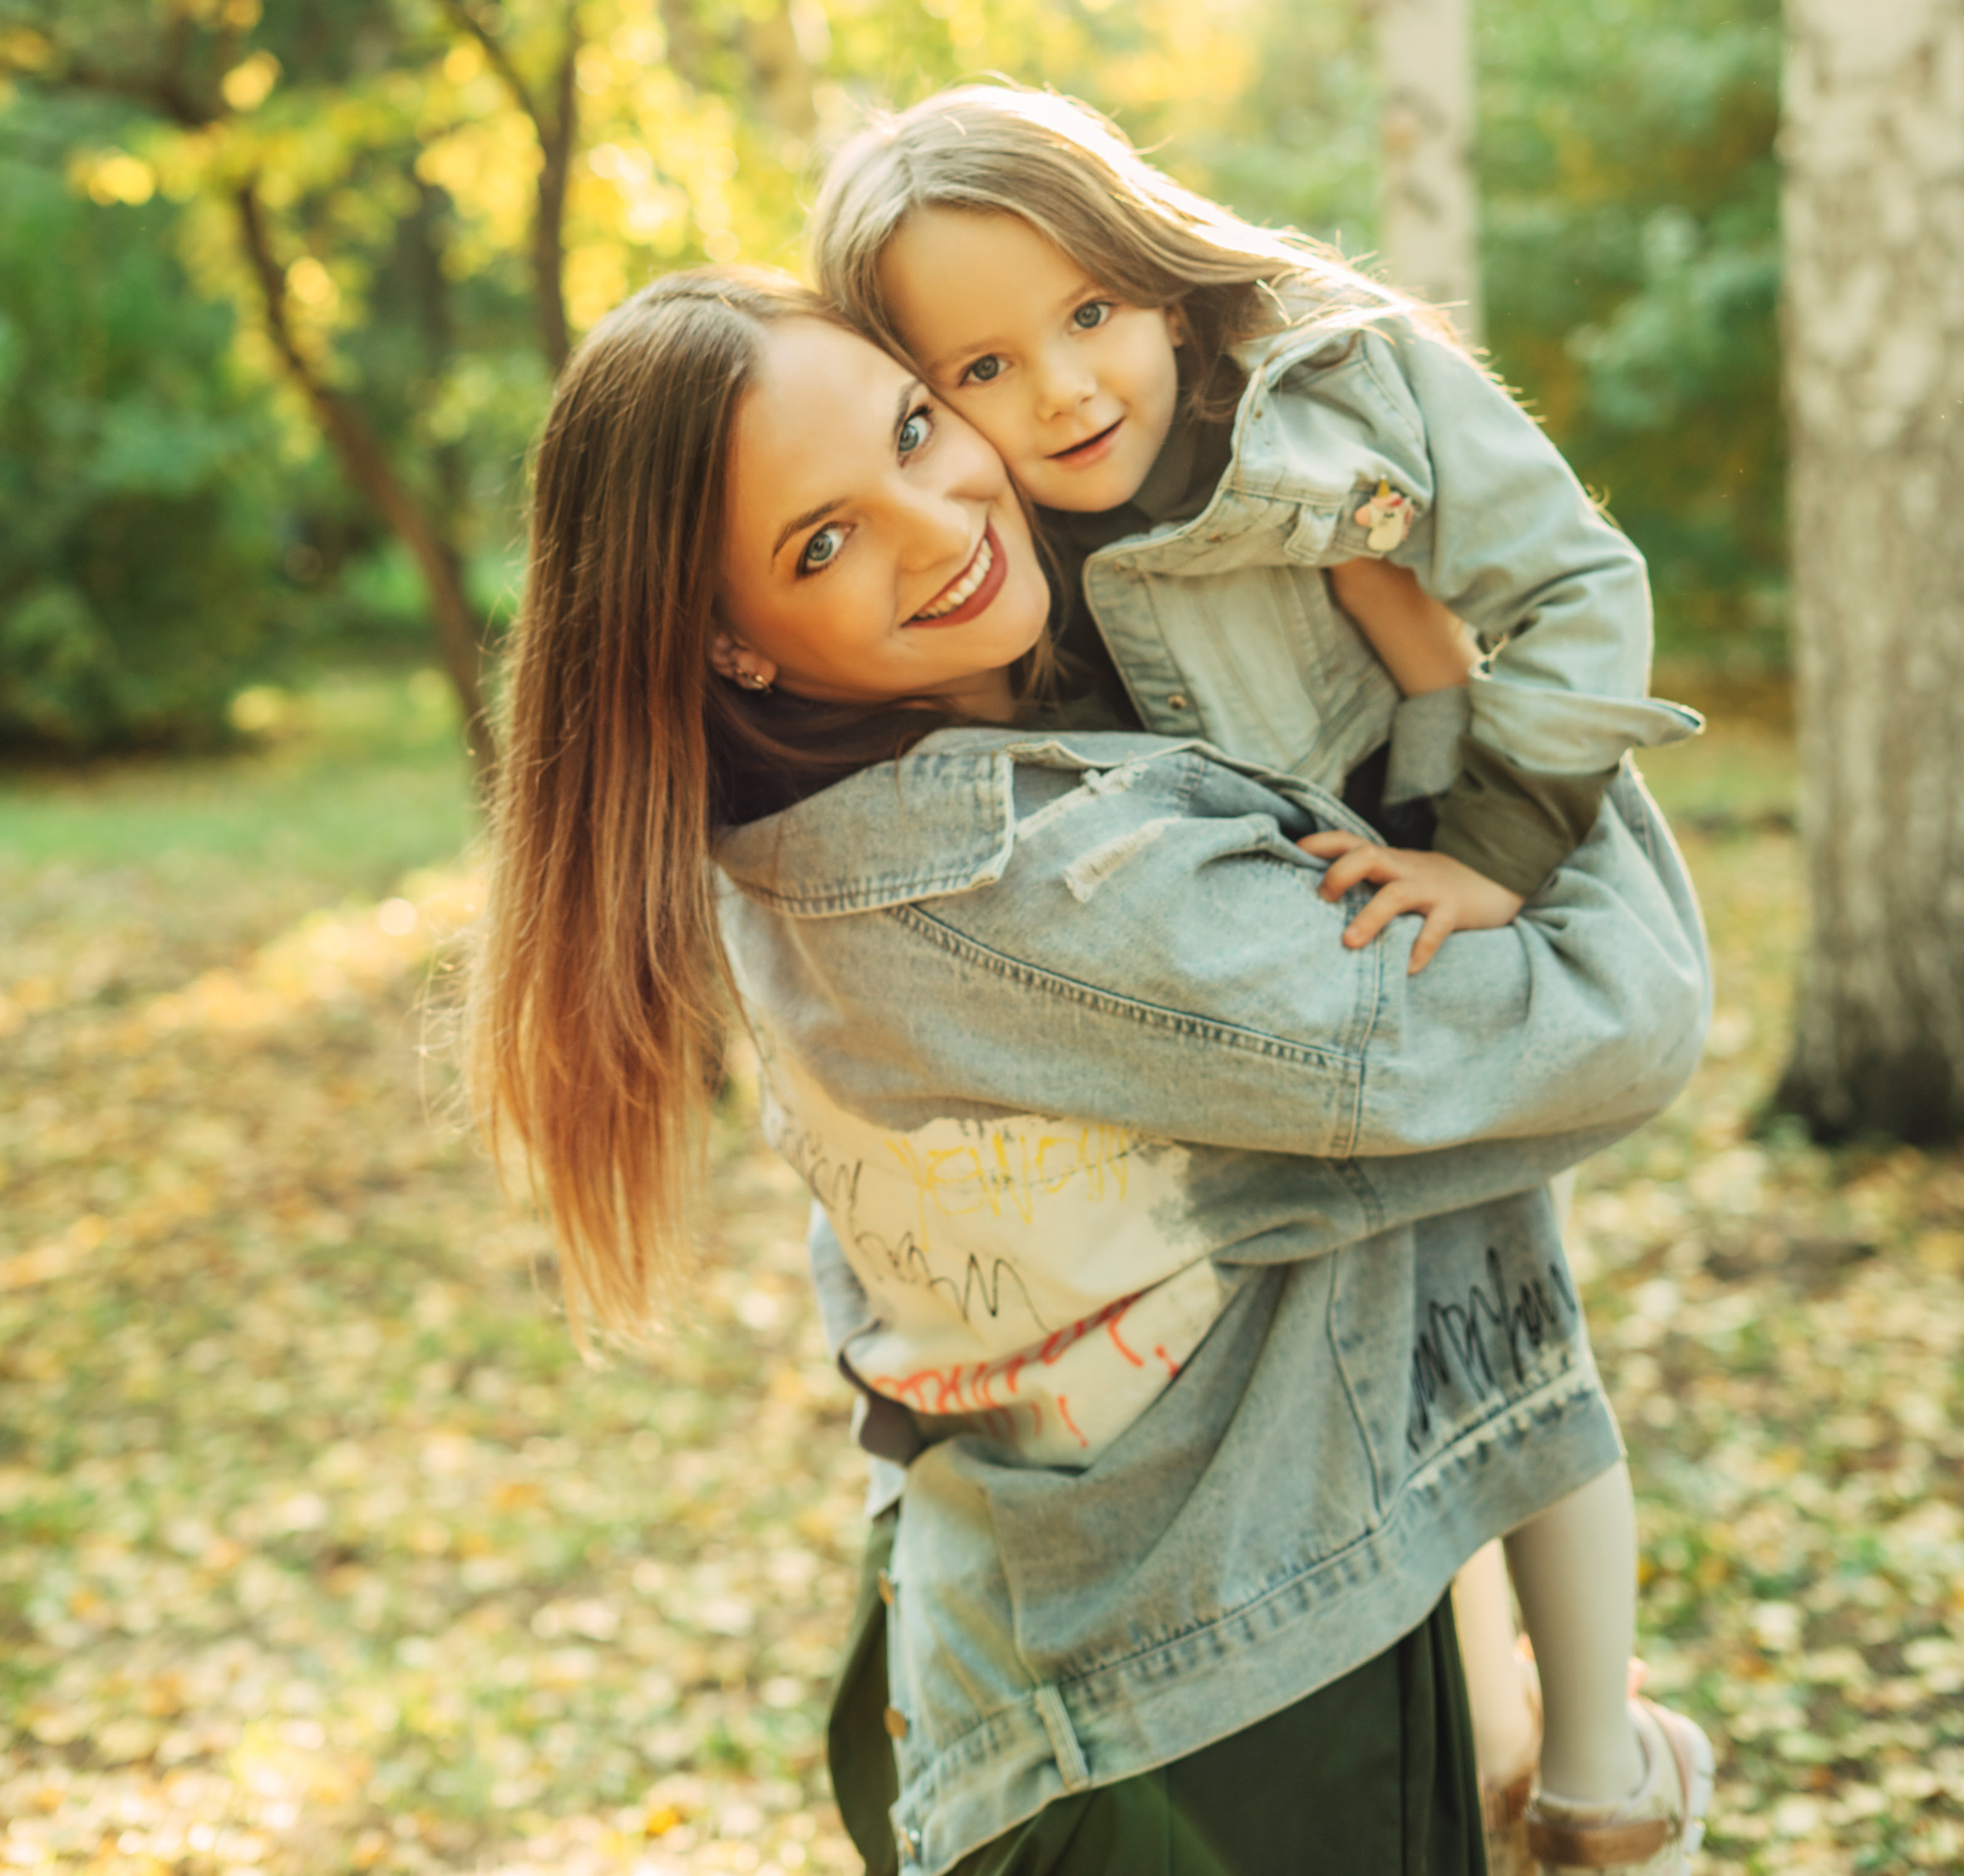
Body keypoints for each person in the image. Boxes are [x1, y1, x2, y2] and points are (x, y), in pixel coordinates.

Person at [473, 267, 1715, 1876]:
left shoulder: (807, 834)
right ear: (729, 641)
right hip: (1218, 1729)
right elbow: (1606, 1024)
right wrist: (1486, 716)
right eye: (823, 541)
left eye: (919, 424)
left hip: (1071, 1656)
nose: (937, 519)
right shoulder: (1015, 880)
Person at [810, 86, 1711, 1863]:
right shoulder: (989, 533)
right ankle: (1520, 1738)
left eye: (1088, 313)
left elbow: (1572, 583)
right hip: (1262, 973)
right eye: (979, 370)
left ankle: (1599, 1770)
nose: (1062, 392)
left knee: (1514, 1309)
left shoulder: (1341, 379)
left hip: (1431, 858)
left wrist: (1499, 839)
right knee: (1399, 1352)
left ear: (1158, 268)